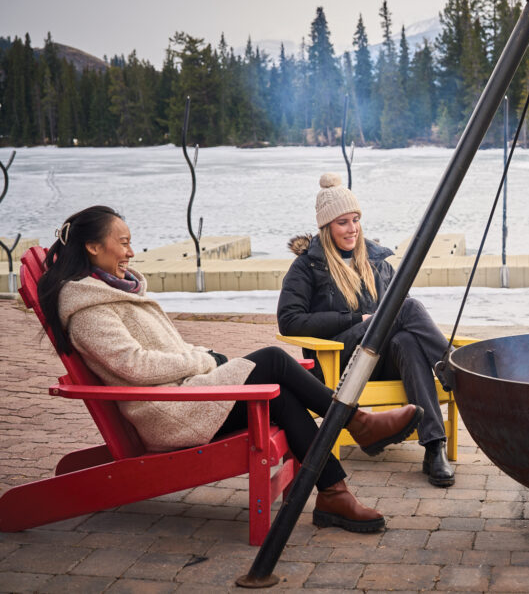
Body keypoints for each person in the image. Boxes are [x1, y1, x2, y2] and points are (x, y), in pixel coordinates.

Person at [38, 205, 423, 533]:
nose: (131, 252)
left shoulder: (115, 292)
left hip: (186, 394)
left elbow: (164, 351)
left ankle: (334, 494)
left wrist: (205, 355)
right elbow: (134, 366)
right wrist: (206, 360)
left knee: (283, 393)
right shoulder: (89, 309)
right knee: (272, 360)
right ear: (92, 247)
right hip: (169, 413)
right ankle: (357, 424)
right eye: (123, 243)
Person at [277, 174, 455, 487]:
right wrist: (354, 320)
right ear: (327, 227)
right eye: (343, 222)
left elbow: (403, 317)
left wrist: (377, 321)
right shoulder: (308, 267)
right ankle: (451, 367)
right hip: (339, 359)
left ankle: (433, 447)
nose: (352, 228)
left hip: (382, 357)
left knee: (407, 341)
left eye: (356, 220)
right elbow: (289, 320)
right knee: (408, 308)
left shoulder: (377, 262)